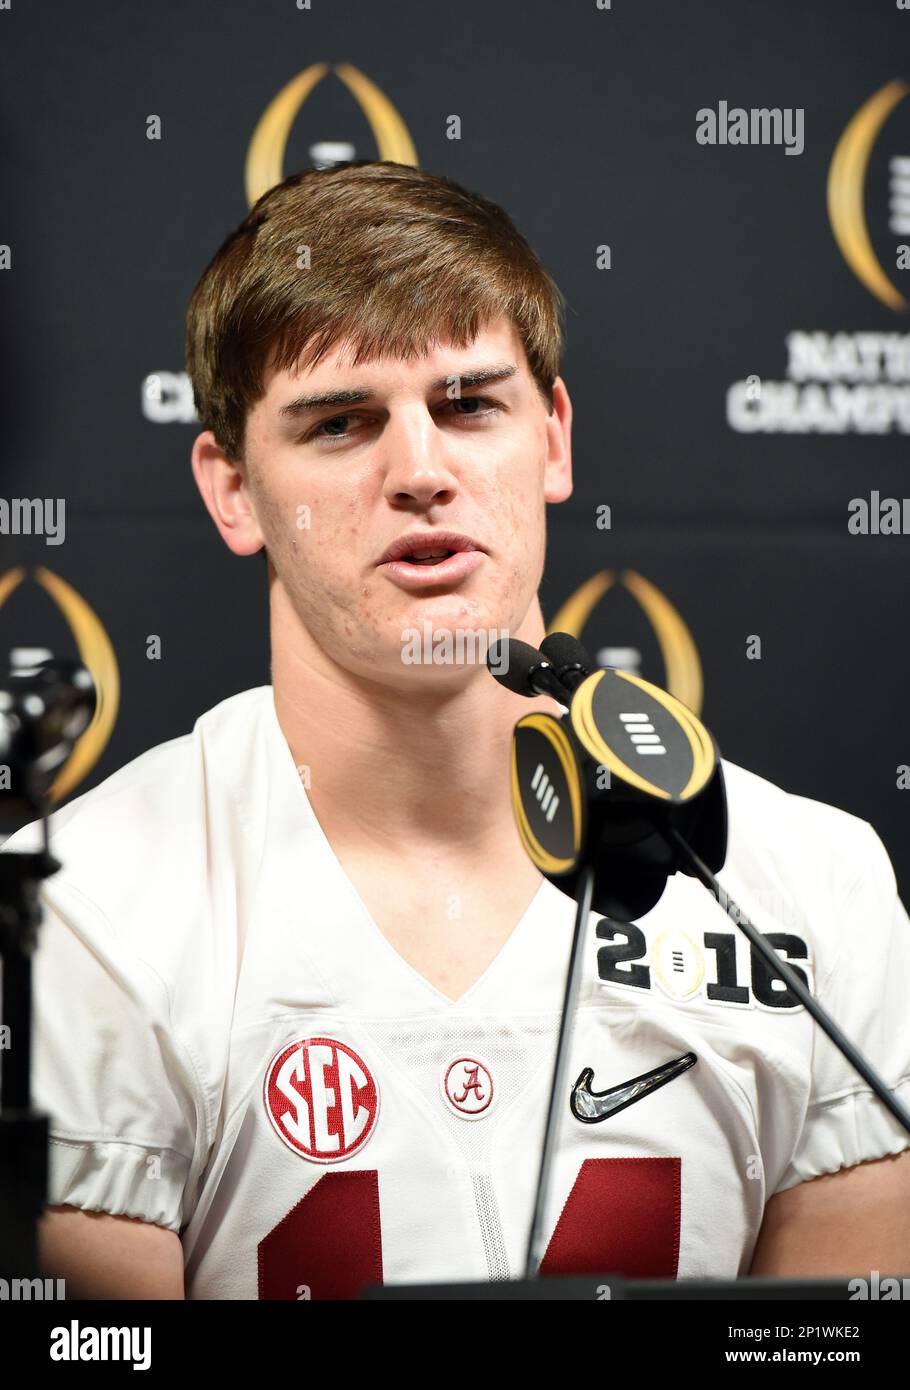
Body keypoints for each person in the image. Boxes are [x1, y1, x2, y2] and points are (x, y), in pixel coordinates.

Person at [7, 161, 909, 1299]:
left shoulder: (814, 886)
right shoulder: (81, 915)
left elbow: (825, 1348)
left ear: (553, 440)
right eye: (341, 423)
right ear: (232, 490)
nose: (420, 472)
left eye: (469, 405)